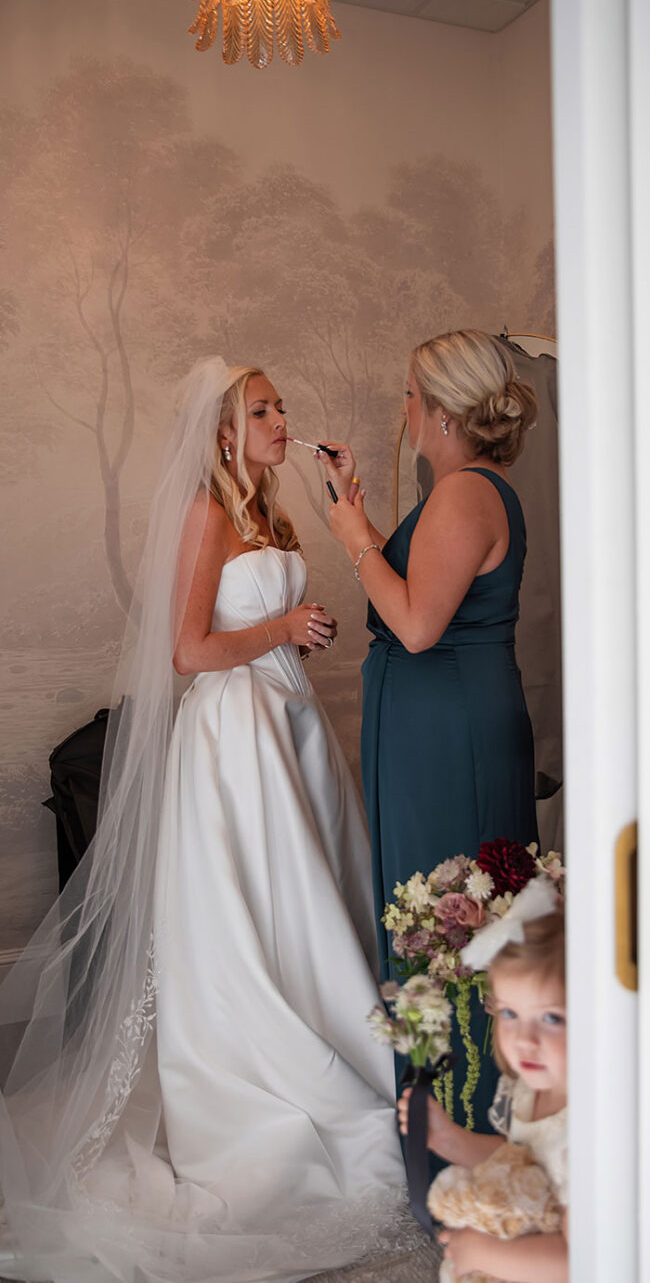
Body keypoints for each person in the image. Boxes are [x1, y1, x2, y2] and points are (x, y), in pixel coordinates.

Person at [0, 359, 405, 1283]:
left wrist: (300, 629)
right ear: (223, 432)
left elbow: (263, 622)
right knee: (251, 915)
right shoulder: (208, 512)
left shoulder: (273, 511)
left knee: (305, 906)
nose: (279, 419)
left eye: (279, 406)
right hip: (235, 738)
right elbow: (188, 651)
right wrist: (284, 627)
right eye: (261, 409)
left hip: (291, 728)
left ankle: (330, 1029)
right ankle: (268, 1077)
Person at [321, 328, 539, 1138]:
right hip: (434, 721)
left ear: (444, 410)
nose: (404, 409)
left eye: (411, 395)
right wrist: (362, 515)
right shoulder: (463, 492)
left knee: (449, 912)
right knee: (438, 909)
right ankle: (444, 1114)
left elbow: (414, 624)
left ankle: (466, 1129)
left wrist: (355, 542)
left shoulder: (465, 494)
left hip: (449, 731)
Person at [397, 880, 568, 1282]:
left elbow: (583, 1262)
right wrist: (450, 1139)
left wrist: (481, 1251)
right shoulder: (531, 1089)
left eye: (552, 1017)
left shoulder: (593, 1127)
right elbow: (522, 1163)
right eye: (510, 1013)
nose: (525, 1040)